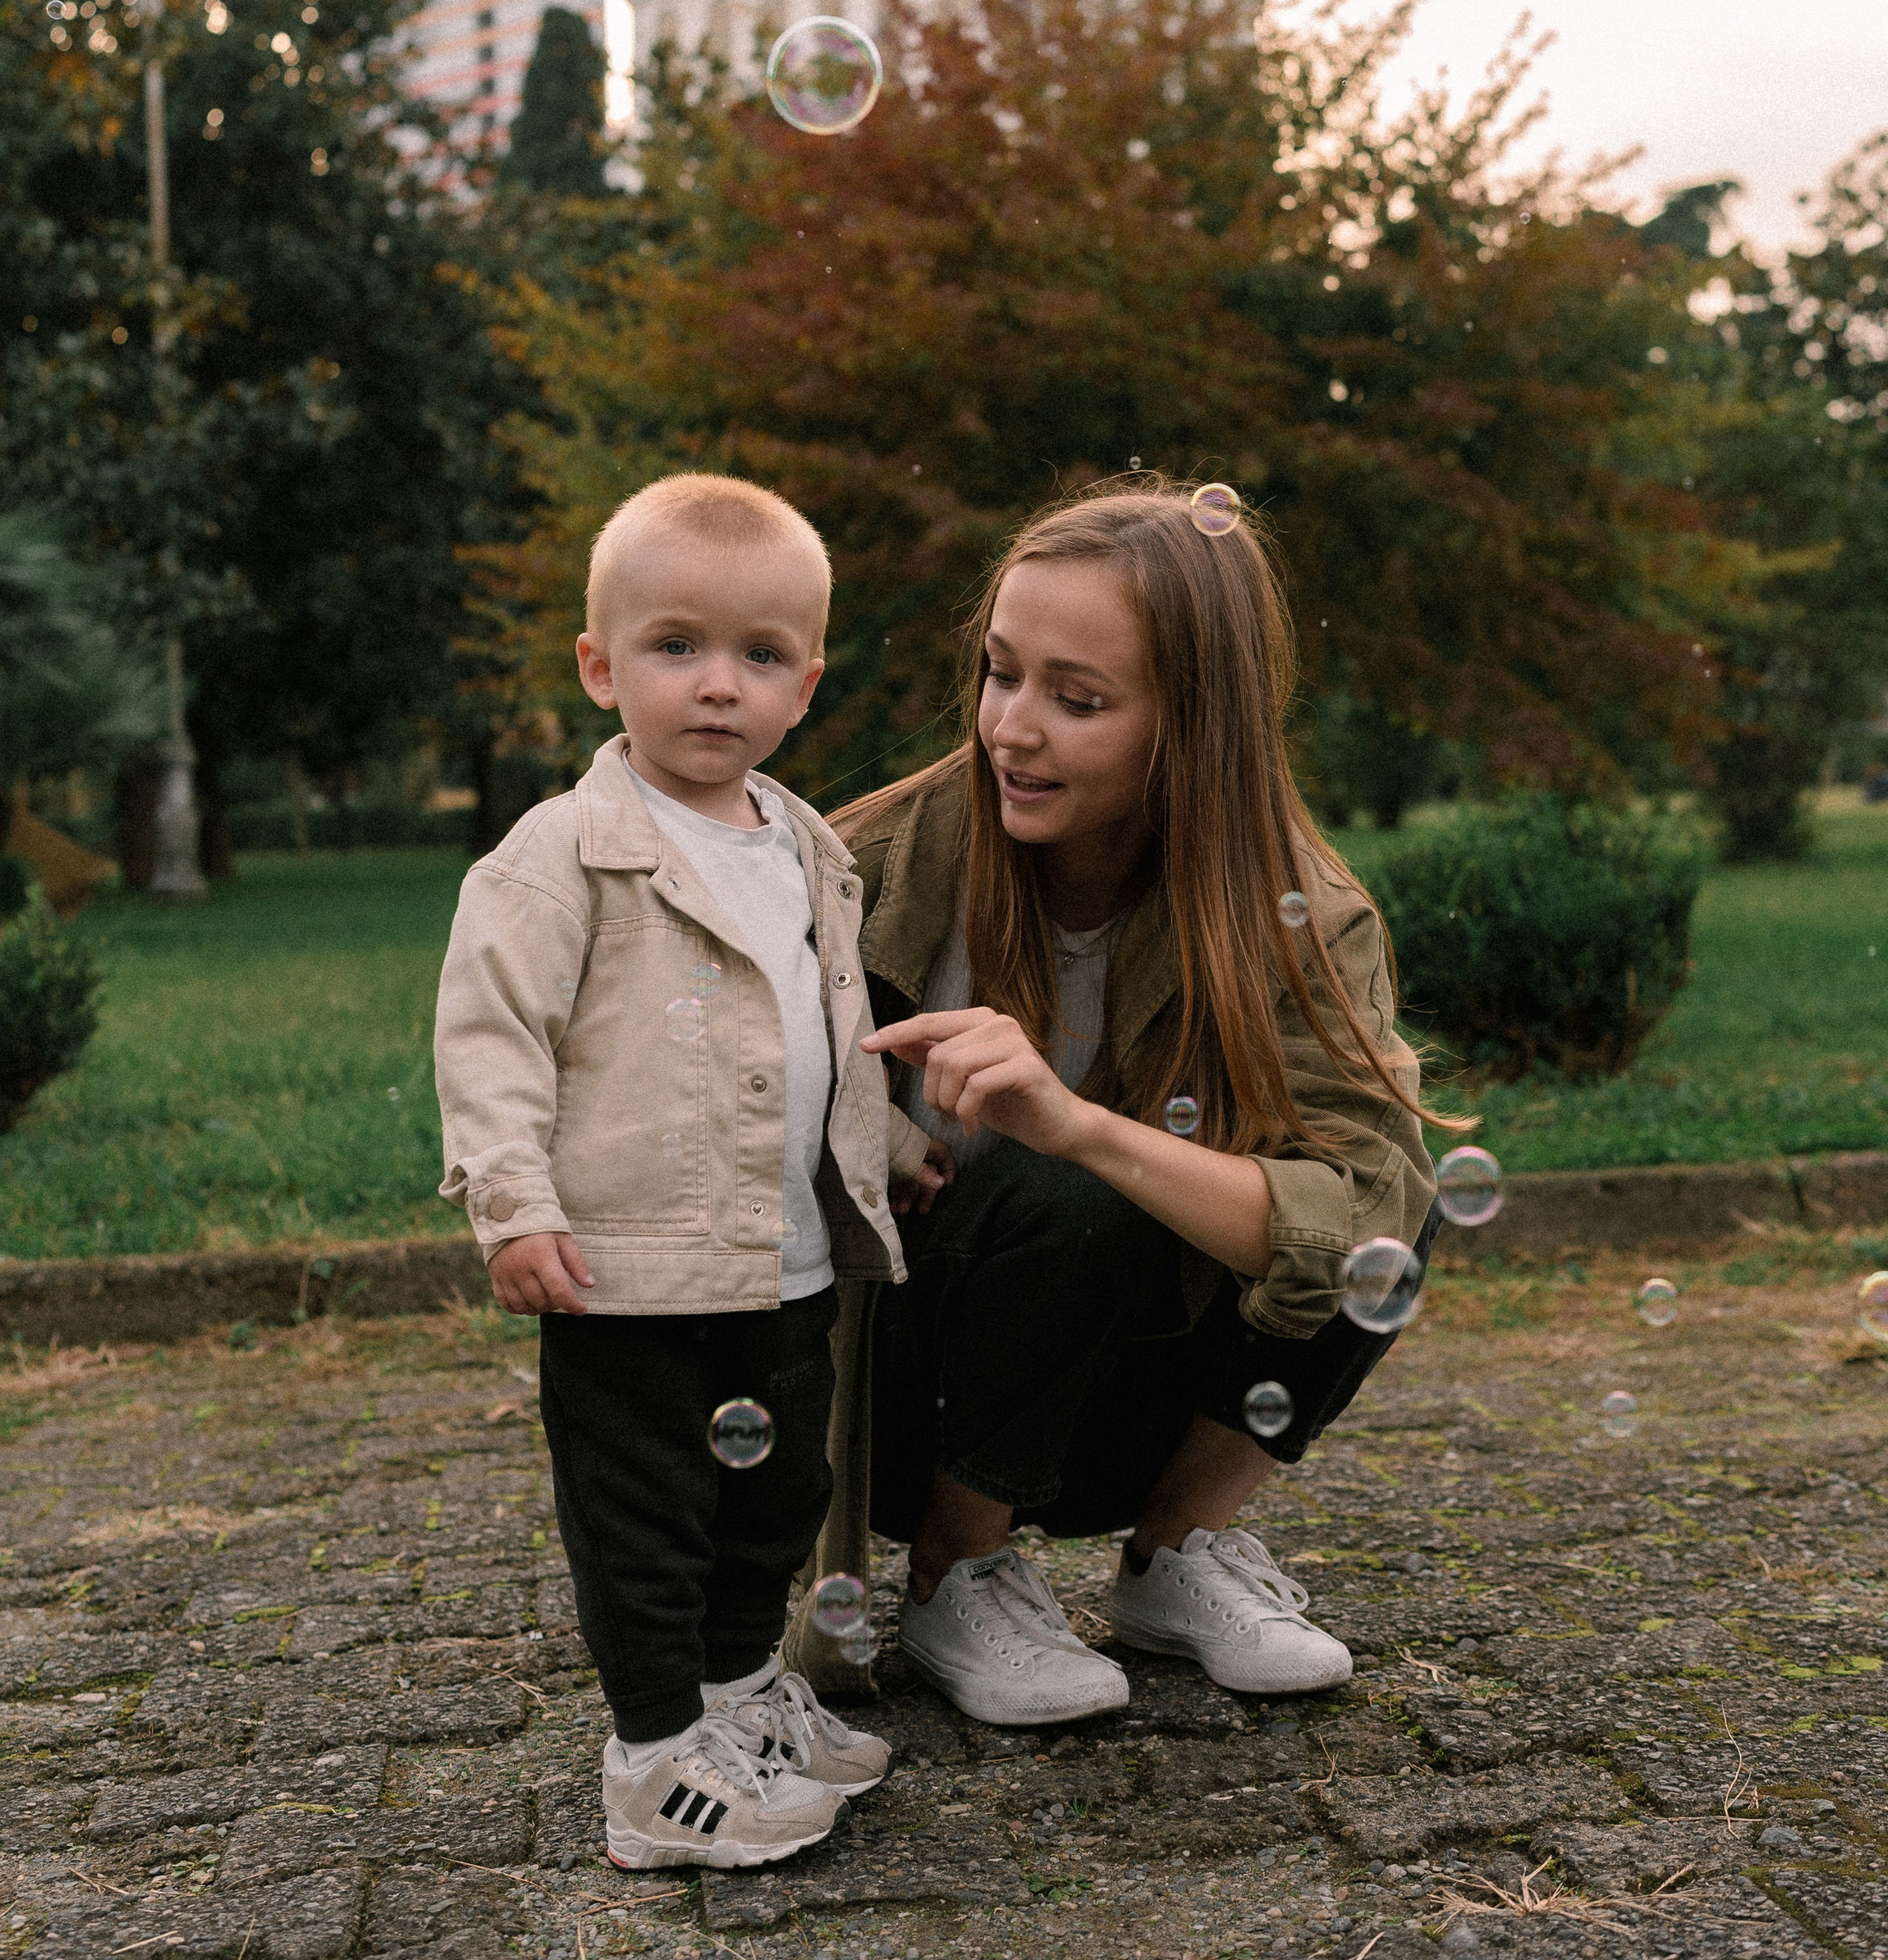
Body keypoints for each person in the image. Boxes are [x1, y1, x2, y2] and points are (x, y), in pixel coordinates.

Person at [784, 482, 1455, 1727]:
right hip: (889, 1395)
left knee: (1390, 1204)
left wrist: (1083, 1123)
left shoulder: (1302, 917)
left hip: (1121, 1399)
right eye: (1000, 674)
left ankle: (1173, 1557)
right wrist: (858, 1117)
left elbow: (1358, 1207)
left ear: (1192, 729)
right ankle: (954, 1573)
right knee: (1058, 1188)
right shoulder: (852, 869)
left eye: (1077, 700)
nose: (1011, 729)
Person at [433, 473, 946, 1867]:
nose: (718, 686)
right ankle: (657, 1766)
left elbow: (826, 1027)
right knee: (647, 1518)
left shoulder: (807, 846)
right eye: (677, 648)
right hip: (629, 1273)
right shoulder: (567, 856)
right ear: (602, 666)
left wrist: (887, 1143)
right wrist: (514, 1205)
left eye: (760, 656)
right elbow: (492, 1036)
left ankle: (738, 1700)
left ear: (807, 684)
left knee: (770, 1504)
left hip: (779, 1266)